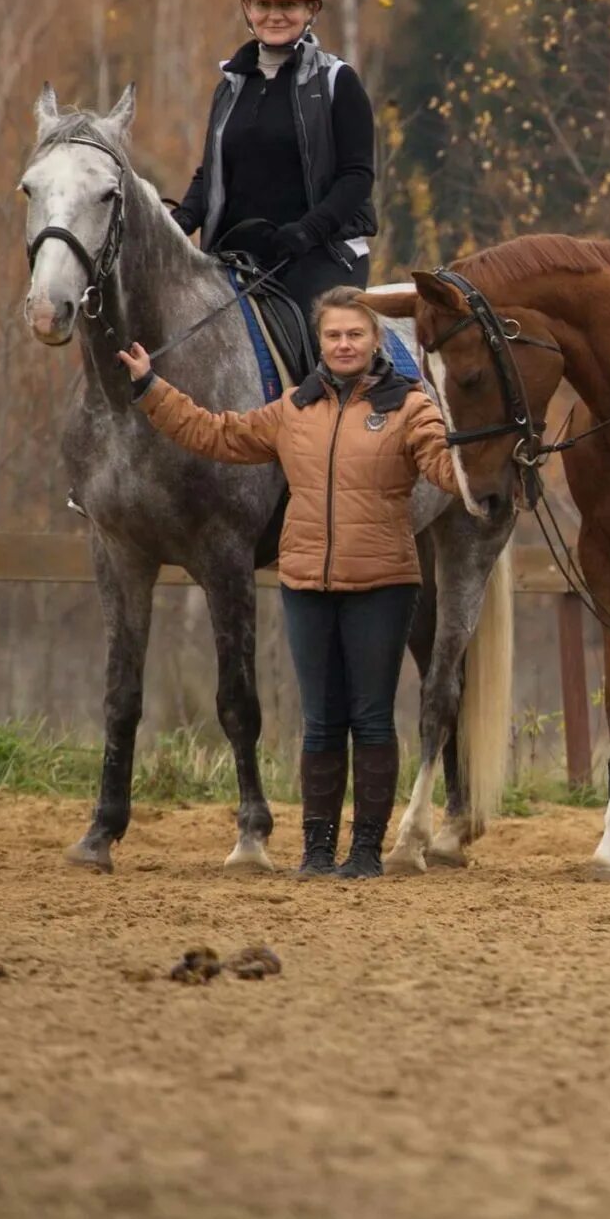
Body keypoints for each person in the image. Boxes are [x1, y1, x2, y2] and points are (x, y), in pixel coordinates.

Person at [116, 290, 461, 877]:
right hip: (306, 583)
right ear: (320, 343)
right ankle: (319, 849)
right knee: (321, 719)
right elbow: (215, 433)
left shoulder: (411, 407)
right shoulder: (292, 409)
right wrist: (152, 387)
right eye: (334, 336)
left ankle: (366, 851)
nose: (344, 344)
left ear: (376, 341)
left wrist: (492, 460)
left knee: (371, 718)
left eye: (355, 334)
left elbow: (447, 468)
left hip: (382, 582)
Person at [170, 0, 379, 326]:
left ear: (311, 11)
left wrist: (307, 231)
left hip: (318, 255)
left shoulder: (337, 81)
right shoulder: (230, 85)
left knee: (328, 352)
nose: (274, 15)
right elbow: (213, 171)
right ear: (247, 10)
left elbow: (357, 176)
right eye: (262, 4)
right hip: (236, 260)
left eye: (288, 5)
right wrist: (181, 220)